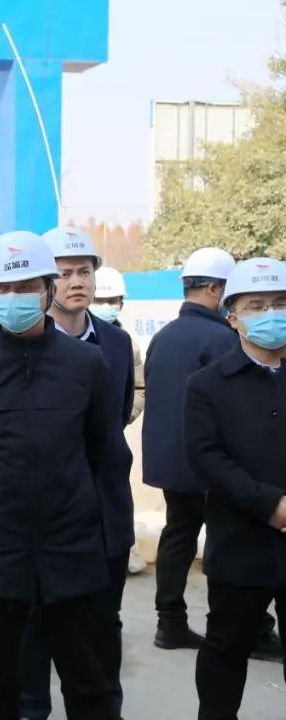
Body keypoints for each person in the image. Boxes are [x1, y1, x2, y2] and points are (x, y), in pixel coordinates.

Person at [0, 230, 113, 720]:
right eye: (3, 289)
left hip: (71, 550)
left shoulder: (86, 363)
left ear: (49, 289)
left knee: (88, 681)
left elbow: (100, 448)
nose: (14, 297)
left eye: (26, 286)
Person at [18, 227, 136, 720]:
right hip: (40, 522)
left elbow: (116, 418)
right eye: (64, 273)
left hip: (104, 515)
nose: (77, 282)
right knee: (34, 631)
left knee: (101, 629)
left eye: (84, 271)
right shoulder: (19, 344)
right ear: (46, 283)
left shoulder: (117, 343)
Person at [141, 247, 278, 655]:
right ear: (218, 291)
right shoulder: (222, 339)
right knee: (239, 544)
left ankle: (170, 622)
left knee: (177, 536)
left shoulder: (164, 336)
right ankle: (253, 629)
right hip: (215, 467)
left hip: (169, 461)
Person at [185, 257, 286, 718]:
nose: (271, 314)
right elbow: (207, 458)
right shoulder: (206, 386)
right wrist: (271, 505)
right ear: (233, 317)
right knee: (226, 650)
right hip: (240, 544)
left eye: (280, 303)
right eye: (257, 305)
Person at [92, 266, 145, 423]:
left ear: (121, 304)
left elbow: (139, 389)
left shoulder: (129, 346)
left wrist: (122, 418)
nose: (105, 306)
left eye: (111, 301)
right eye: (99, 301)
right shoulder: (71, 337)